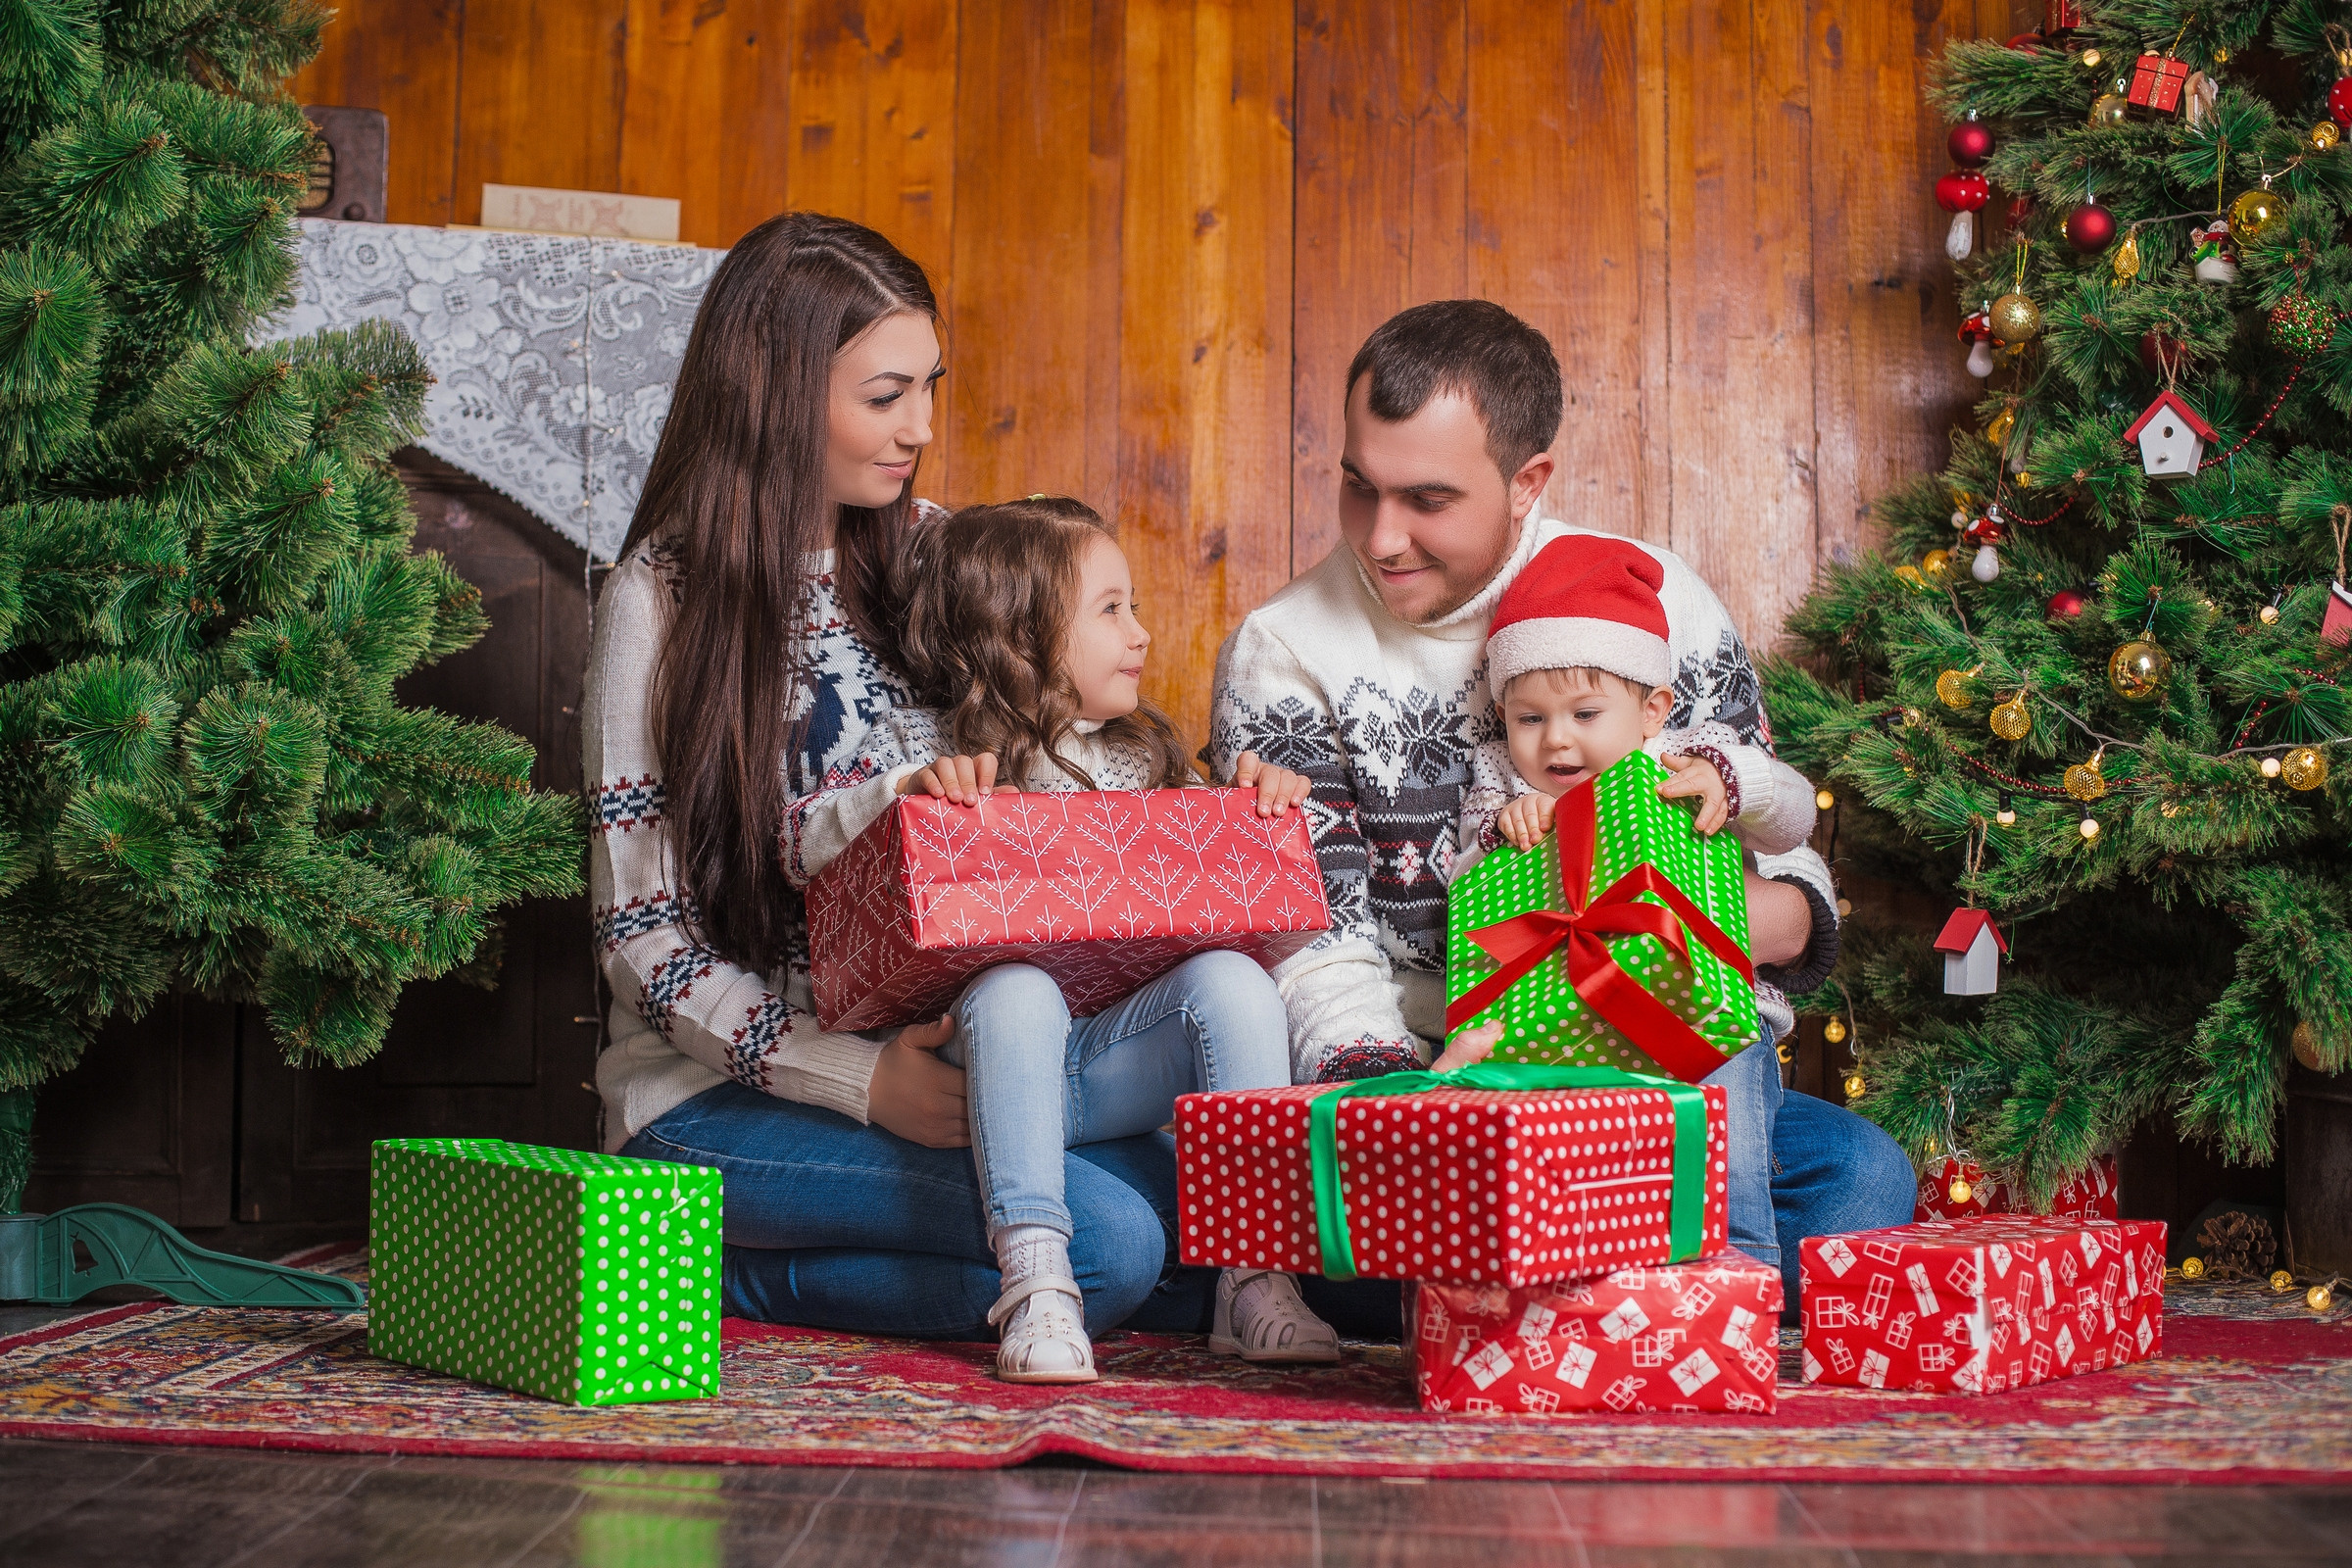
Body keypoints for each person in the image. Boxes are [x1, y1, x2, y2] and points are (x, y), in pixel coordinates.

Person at [1207, 299, 1915, 1308]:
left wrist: (1746, 920)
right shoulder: (1283, 648)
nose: (1382, 537)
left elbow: (1775, 837)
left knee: (1863, 1182)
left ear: (1528, 481)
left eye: (1428, 499)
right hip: (1436, 1070)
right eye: (1359, 486)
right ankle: (1601, 1283)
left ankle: (1594, 1286)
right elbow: (1315, 944)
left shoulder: (1651, 596)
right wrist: (1416, 1112)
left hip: (1655, 1050)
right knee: (1380, 1231)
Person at [583, 214, 1208, 1341]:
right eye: (885, 395)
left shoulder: (935, 550)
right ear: (773, 394)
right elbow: (642, 939)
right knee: (1111, 1246)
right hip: (713, 1095)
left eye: (930, 387)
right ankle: (719, 1271)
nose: (920, 426)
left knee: (1213, 1224)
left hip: (947, 1057)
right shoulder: (659, 600)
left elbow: (1047, 757)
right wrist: (857, 1081)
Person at [781, 497, 1340, 1381]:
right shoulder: (921, 743)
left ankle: (1255, 1277)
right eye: (1111, 609)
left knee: (1234, 979)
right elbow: (803, 844)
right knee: (1016, 987)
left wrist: (1253, 809)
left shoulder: (1140, 758)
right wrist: (903, 794)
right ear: (1020, 635)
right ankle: (1036, 1279)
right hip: (977, 1069)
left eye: (1134, 607)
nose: (1141, 632)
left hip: (1103, 1071)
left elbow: (1228, 894)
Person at [1434, 533, 1826, 1273]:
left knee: (1725, 1131)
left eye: (1585, 714)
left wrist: (1736, 784)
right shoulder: (1505, 783)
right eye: (1529, 719)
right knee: (1579, 1177)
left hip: (1708, 1014)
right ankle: (1603, 1284)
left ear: (1652, 710)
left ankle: (1740, 1271)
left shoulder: (1687, 759)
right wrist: (1501, 832)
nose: (1556, 743)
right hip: (1569, 1037)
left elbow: (1796, 815)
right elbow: (1470, 894)